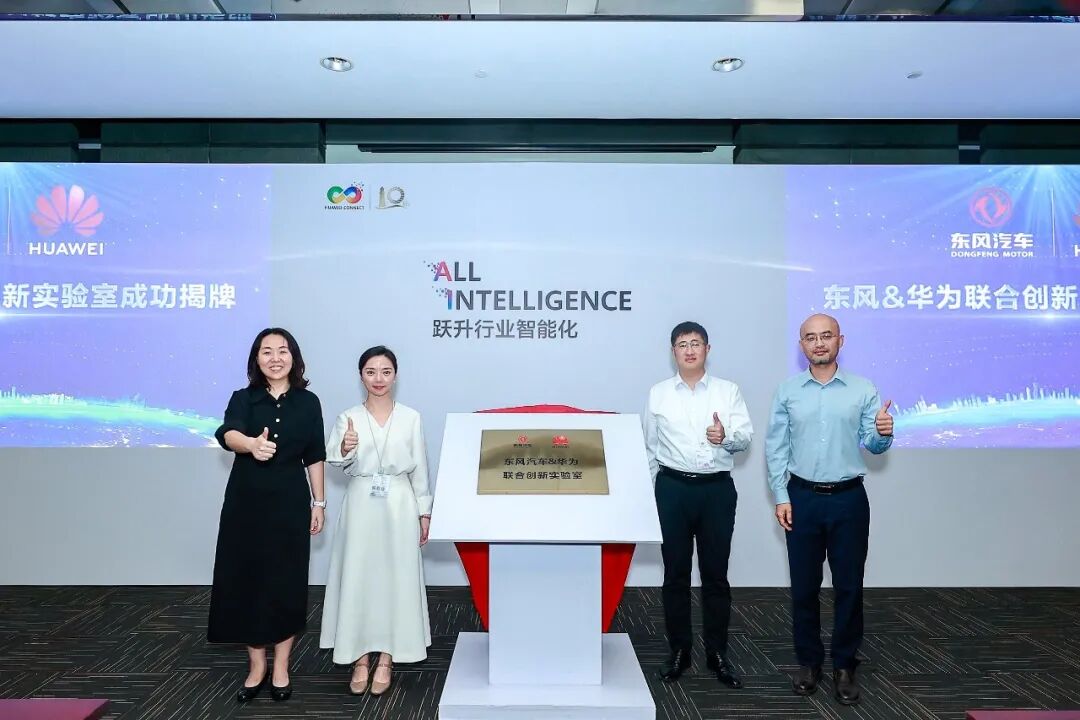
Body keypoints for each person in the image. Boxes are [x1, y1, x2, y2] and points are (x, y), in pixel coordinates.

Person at [764, 313, 893, 706]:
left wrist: (883, 433)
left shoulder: (862, 389)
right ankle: (809, 662)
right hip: (801, 498)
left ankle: (844, 665)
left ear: (841, 340)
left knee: (849, 587)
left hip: (848, 499)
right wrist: (781, 495)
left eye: (826, 336)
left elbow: (873, 444)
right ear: (801, 344)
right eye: (810, 337)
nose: (818, 343)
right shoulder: (788, 391)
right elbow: (776, 447)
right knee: (804, 587)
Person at [207, 328, 327, 704]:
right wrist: (250, 444)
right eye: (266, 351)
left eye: (282, 350)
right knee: (248, 582)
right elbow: (227, 433)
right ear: (256, 359)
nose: (275, 358)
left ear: (294, 357)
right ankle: (257, 665)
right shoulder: (243, 398)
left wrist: (319, 503)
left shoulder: (309, 402)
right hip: (245, 505)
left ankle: (281, 666)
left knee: (286, 582)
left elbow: (315, 455)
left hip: (290, 503)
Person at [643, 321, 753, 688]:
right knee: (675, 575)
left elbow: (745, 438)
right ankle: (679, 651)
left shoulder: (728, 391)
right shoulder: (658, 393)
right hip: (672, 489)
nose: (689, 350)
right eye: (682, 344)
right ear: (673, 351)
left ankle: (717, 654)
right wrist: (649, 496)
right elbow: (650, 449)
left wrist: (726, 436)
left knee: (715, 575)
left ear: (708, 349)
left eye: (696, 343)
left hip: (715, 491)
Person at [320, 345, 433, 696]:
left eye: (386, 371)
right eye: (371, 372)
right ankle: (359, 657)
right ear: (361, 376)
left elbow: (420, 468)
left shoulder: (411, 417)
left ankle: (387, 657)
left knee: (396, 578)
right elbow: (336, 460)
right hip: (361, 503)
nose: (378, 378)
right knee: (359, 576)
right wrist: (346, 447)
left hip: (399, 502)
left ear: (395, 375)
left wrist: (424, 511)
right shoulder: (348, 417)